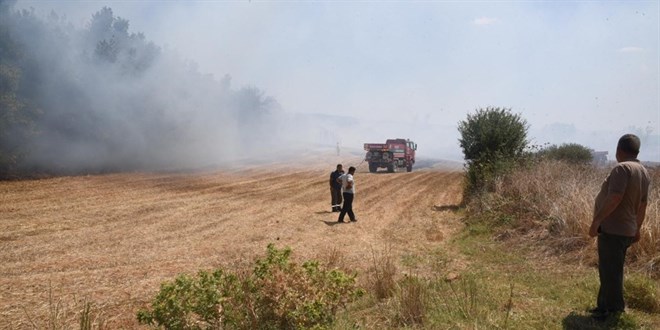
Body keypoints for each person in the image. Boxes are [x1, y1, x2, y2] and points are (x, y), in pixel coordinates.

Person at [588, 134, 651, 321]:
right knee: (610, 269)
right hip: (627, 229)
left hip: (613, 229)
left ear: (619, 150)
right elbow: (643, 205)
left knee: (611, 272)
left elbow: (615, 197)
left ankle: (614, 312)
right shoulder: (643, 172)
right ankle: (603, 307)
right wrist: (637, 228)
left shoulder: (622, 168)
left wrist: (596, 220)